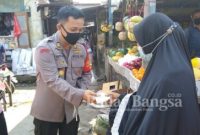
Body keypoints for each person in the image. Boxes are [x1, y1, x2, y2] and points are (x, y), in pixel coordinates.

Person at [108, 13, 200, 135]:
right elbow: (151, 99)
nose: (139, 47)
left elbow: (156, 122)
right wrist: (123, 99)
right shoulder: (167, 68)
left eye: (141, 43)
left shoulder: (171, 77)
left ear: (154, 39)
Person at [31, 6, 96, 135]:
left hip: (71, 111)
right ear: (60, 27)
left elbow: (87, 73)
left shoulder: (82, 48)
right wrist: (81, 94)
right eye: (73, 29)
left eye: (80, 29)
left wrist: (82, 90)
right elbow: (52, 80)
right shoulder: (45, 49)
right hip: (47, 112)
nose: (77, 33)